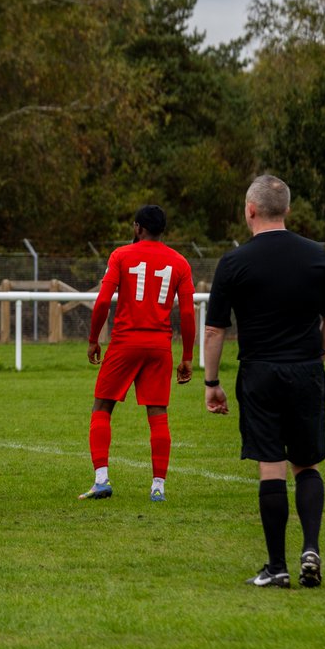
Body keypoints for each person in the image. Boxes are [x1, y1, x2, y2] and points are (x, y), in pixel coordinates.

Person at [203, 175, 325, 588]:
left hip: (260, 372)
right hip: (305, 370)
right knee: (306, 463)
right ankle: (311, 546)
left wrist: (212, 381)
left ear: (249, 210)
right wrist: (316, 357)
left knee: (271, 466)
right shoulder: (316, 256)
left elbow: (214, 331)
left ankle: (277, 566)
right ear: (286, 210)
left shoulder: (234, 262)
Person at [81, 205, 195, 503]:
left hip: (125, 342)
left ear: (137, 228)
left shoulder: (121, 255)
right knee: (157, 414)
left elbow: (104, 301)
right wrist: (187, 357)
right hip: (159, 346)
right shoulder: (180, 262)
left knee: (102, 407)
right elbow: (186, 312)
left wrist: (94, 339)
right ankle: (158, 485)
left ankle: (102, 479)